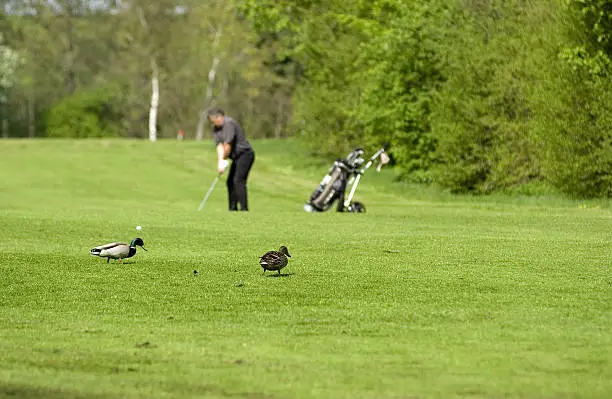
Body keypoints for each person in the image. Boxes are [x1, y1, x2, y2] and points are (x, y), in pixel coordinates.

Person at [207, 107, 255, 211]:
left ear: (219, 117)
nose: (212, 124)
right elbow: (219, 146)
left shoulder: (229, 124)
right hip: (236, 157)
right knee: (230, 182)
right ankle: (232, 209)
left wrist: (224, 159)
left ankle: (244, 210)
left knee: (238, 181)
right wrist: (220, 162)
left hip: (245, 154)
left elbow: (227, 145)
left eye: (213, 121)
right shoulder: (216, 128)